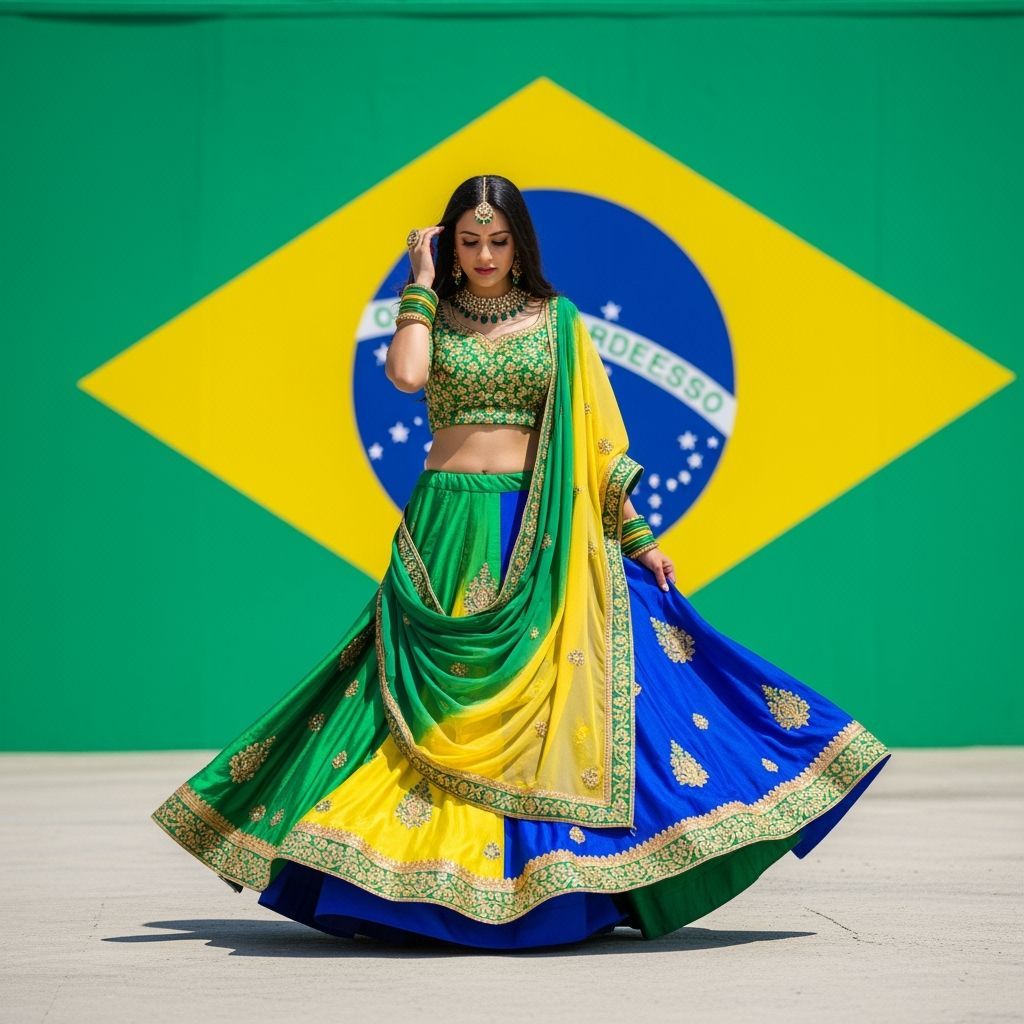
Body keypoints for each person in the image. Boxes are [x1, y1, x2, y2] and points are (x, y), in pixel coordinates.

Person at [151, 174, 891, 950]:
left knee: (557, 698)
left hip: (535, 532)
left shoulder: (557, 321)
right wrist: (418, 284)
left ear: (520, 244)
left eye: (498, 242)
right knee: (422, 702)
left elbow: (595, 446)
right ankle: (405, 884)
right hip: (444, 527)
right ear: (450, 244)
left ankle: (557, 888)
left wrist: (640, 540)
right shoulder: (431, 312)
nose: (484, 256)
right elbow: (405, 377)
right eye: (469, 242)